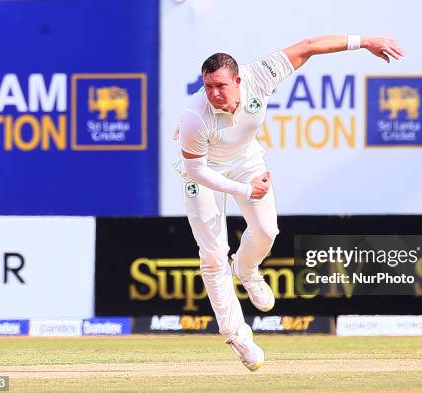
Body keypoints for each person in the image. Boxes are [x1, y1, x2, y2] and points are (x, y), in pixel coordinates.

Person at [173, 34, 404, 371]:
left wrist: (364, 41)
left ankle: (247, 270)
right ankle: (237, 335)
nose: (214, 94)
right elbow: (198, 171)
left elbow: (308, 47)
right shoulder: (195, 116)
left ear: (239, 80)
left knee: (267, 231)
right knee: (211, 255)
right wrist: (242, 190)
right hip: (203, 171)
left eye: (221, 85)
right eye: (208, 87)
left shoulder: (260, 74)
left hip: (246, 158)